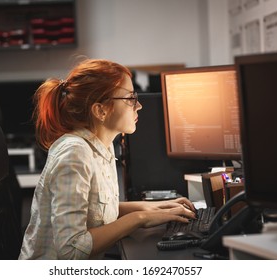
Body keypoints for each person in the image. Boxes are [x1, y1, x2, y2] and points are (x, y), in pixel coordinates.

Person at [19, 58, 196, 260]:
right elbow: (71, 249)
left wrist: (158, 207)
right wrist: (140, 218)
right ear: (100, 110)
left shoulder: (102, 145)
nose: (138, 106)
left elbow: (97, 211)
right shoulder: (74, 154)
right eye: (130, 98)